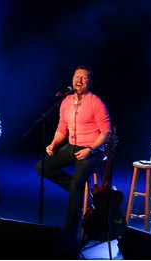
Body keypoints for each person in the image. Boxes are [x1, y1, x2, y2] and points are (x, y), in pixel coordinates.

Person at [35, 65, 111, 240]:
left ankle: (69, 236)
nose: (79, 80)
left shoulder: (96, 103)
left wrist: (90, 149)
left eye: (84, 77)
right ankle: (76, 189)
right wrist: (53, 144)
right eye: (77, 76)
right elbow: (62, 128)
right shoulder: (66, 102)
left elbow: (106, 132)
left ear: (89, 82)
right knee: (41, 167)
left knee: (77, 187)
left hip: (92, 149)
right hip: (71, 146)